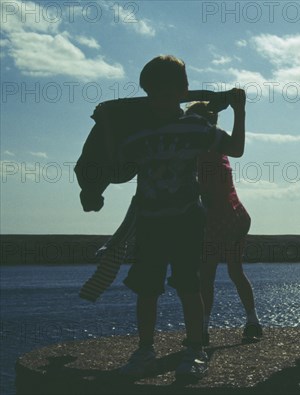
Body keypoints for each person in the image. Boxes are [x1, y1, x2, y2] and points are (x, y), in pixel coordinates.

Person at [78, 55, 246, 380]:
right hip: (151, 220)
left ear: (183, 90)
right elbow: (117, 162)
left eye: (170, 89)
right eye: (155, 91)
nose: (163, 97)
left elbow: (235, 149)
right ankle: (145, 351)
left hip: (186, 219)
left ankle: (195, 350)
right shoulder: (137, 132)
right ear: (147, 92)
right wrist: (109, 126)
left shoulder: (196, 127)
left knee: (188, 285)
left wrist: (239, 111)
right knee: (146, 289)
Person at [184, 101, 261, 345]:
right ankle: (253, 321)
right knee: (236, 271)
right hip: (237, 215)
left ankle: (203, 330)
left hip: (217, 221)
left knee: (206, 275)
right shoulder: (217, 147)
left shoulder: (199, 150)